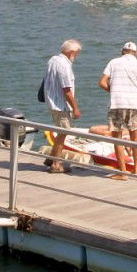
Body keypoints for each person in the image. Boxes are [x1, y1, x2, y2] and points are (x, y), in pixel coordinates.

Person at [98, 42, 137, 178]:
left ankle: (122, 172)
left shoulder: (113, 62)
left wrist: (113, 91)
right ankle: (136, 170)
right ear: (135, 53)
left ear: (123, 51)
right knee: (135, 138)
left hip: (117, 103)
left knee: (118, 138)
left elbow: (102, 82)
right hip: (134, 104)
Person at [43, 39, 82, 173]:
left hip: (52, 102)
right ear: (71, 52)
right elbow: (67, 90)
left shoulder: (53, 60)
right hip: (61, 106)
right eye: (76, 53)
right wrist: (75, 108)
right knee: (63, 132)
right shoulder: (65, 66)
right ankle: (56, 164)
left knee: (61, 132)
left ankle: (51, 157)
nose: (76, 56)